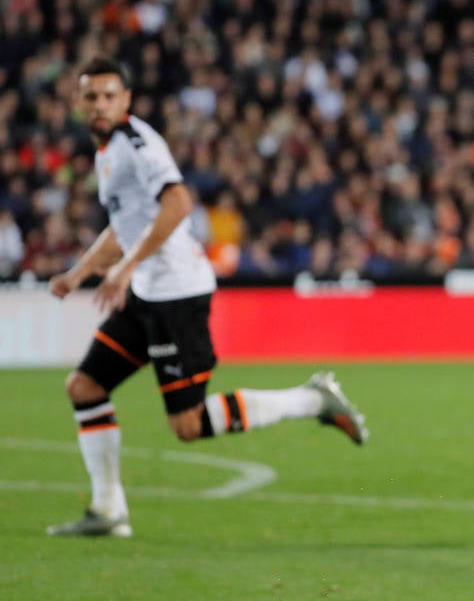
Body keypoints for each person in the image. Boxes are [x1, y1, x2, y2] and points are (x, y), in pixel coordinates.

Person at [46, 57, 369, 539]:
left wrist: (127, 266)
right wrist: (81, 271)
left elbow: (178, 203)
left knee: (188, 425)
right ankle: (108, 509)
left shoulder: (138, 144)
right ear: (77, 102)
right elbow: (128, 225)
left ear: (126, 101)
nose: (100, 105)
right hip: (147, 294)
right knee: (85, 387)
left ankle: (312, 400)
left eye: (109, 95)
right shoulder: (108, 150)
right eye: (91, 96)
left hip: (178, 295)